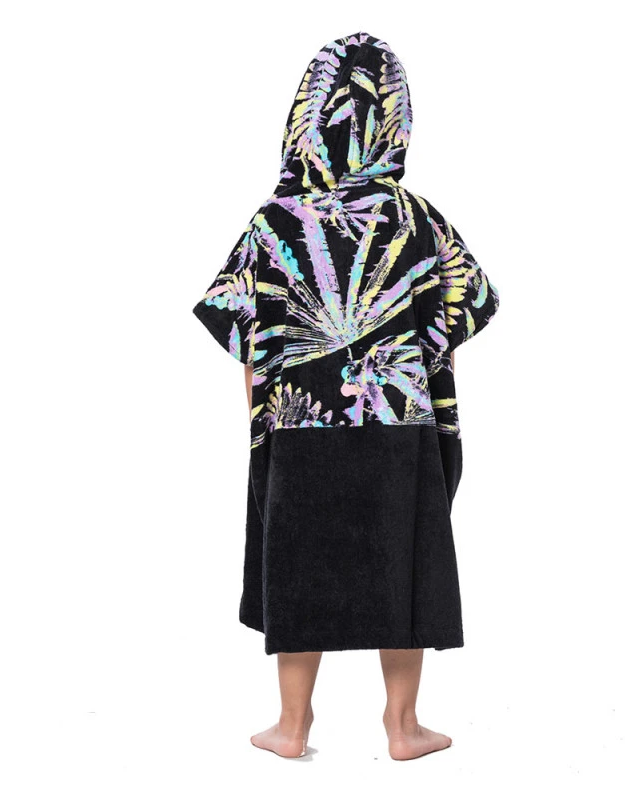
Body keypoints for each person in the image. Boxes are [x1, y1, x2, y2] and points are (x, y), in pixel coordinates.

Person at [193, 31, 500, 760]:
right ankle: (403, 727)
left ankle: (292, 727)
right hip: (400, 421)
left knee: (297, 568)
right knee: (404, 564)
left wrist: (264, 426)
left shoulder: (273, 223)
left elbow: (246, 338)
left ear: (305, 113)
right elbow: (458, 319)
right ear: (395, 118)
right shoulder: (417, 217)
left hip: (299, 426)